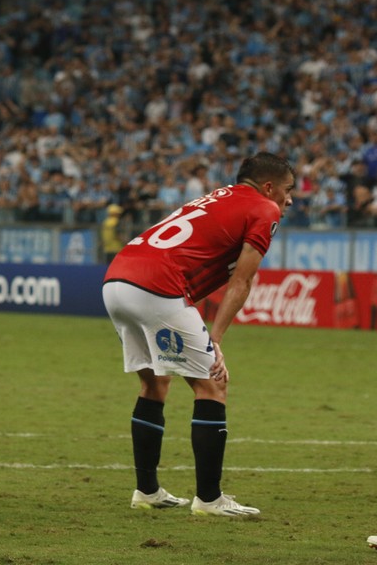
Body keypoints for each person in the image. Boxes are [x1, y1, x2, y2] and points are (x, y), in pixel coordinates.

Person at [102, 152, 294, 517]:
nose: (290, 200)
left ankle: (147, 491)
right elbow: (243, 281)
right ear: (268, 187)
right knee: (212, 385)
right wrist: (216, 339)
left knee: (155, 384)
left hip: (117, 278)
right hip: (156, 286)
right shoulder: (264, 209)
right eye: (287, 190)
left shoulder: (218, 196)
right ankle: (209, 499)